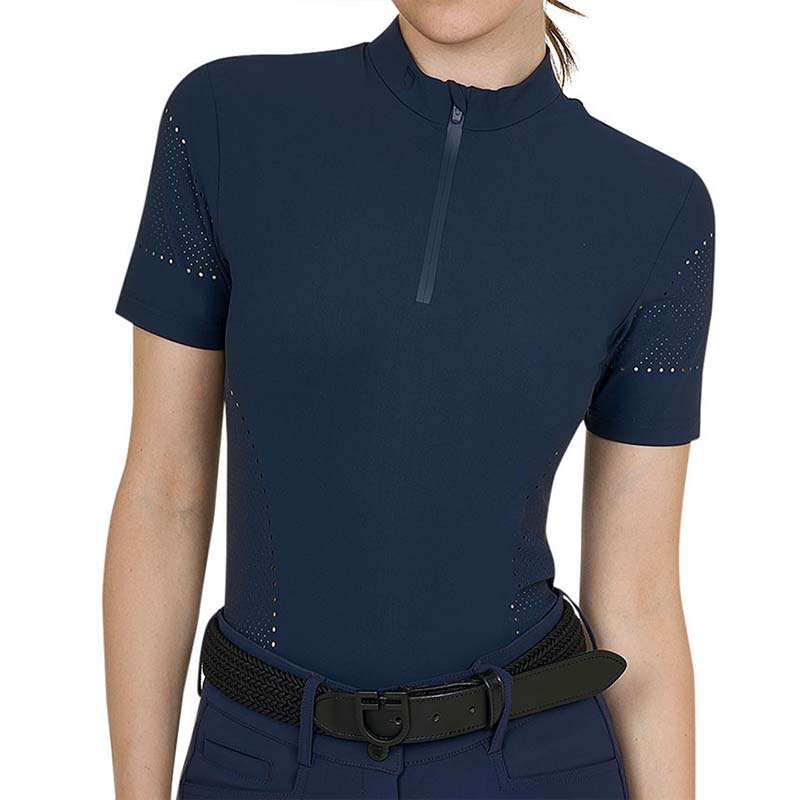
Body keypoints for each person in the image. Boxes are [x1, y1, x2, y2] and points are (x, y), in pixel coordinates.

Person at [104, 2, 714, 798]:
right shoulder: (227, 119)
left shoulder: (657, 209)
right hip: (257, 760)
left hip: (532, 764)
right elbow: (165, 495)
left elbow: (639, 595)